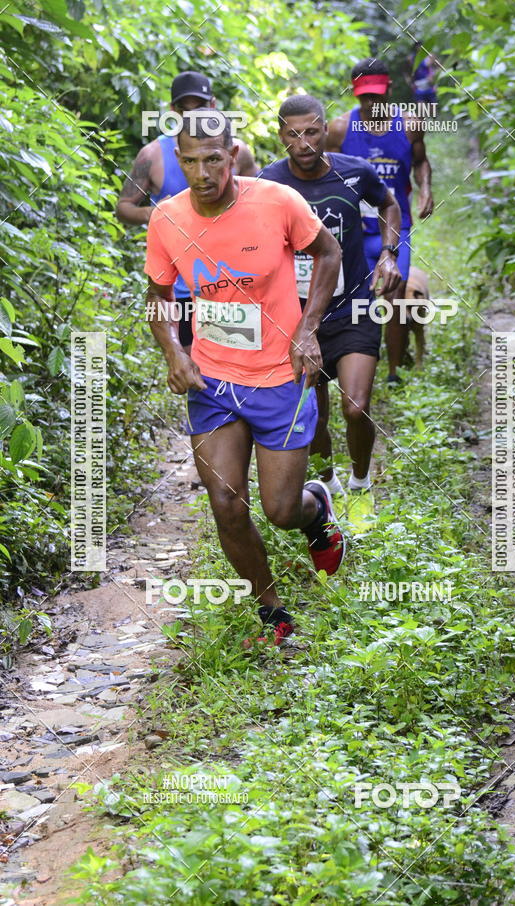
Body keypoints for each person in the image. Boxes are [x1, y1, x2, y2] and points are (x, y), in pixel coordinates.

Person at [144, 114, 345, 647]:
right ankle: (272, 613)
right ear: (177, 161)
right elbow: (159, 300)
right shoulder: (167, 218)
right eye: (189, 160)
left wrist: (308, 328)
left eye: (213, 158)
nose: (202, 171)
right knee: (226, 503)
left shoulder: (276, 201)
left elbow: (329, 253)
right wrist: (174, 351)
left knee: (280, 510)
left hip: (279, 375)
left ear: (232, 156)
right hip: (212, 382)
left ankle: (315, 510)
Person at [260, 94, 401, 529]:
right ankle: (329, 485)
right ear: (281, 135)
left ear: (326, 130)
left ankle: (360, 483)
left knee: (356, 408)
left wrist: (389, 253)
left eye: (312, 132)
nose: (303, 143)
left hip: (355, 307)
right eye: (292, 134)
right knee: (314, 414)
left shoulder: (355, 171)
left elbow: (389, 205)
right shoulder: (270, 183)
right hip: (299, 317)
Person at [117, 71, 258, 350]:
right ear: (173, 111)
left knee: (237, 358)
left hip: (237, 280)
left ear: (214, 105)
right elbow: (123, 208)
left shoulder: (237, 152)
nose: (192, 114)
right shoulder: (153, 154)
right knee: (194, 368)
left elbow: (261, 204)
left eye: (200, 107)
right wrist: (156, 213)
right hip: (182, 287)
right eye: (185, 109)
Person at [327, 58, 434, 384]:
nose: (370, 102)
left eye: (376, 94)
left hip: (394, 224)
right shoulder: (341, 128)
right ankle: (353, 362)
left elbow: (421, 161)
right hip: (354, 230)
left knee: (396, 293)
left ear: (388, 89)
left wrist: (424, 189)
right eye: (364, 96)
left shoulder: (410, 124)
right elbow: (327, 172)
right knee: (353, 297)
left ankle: (393, 371)